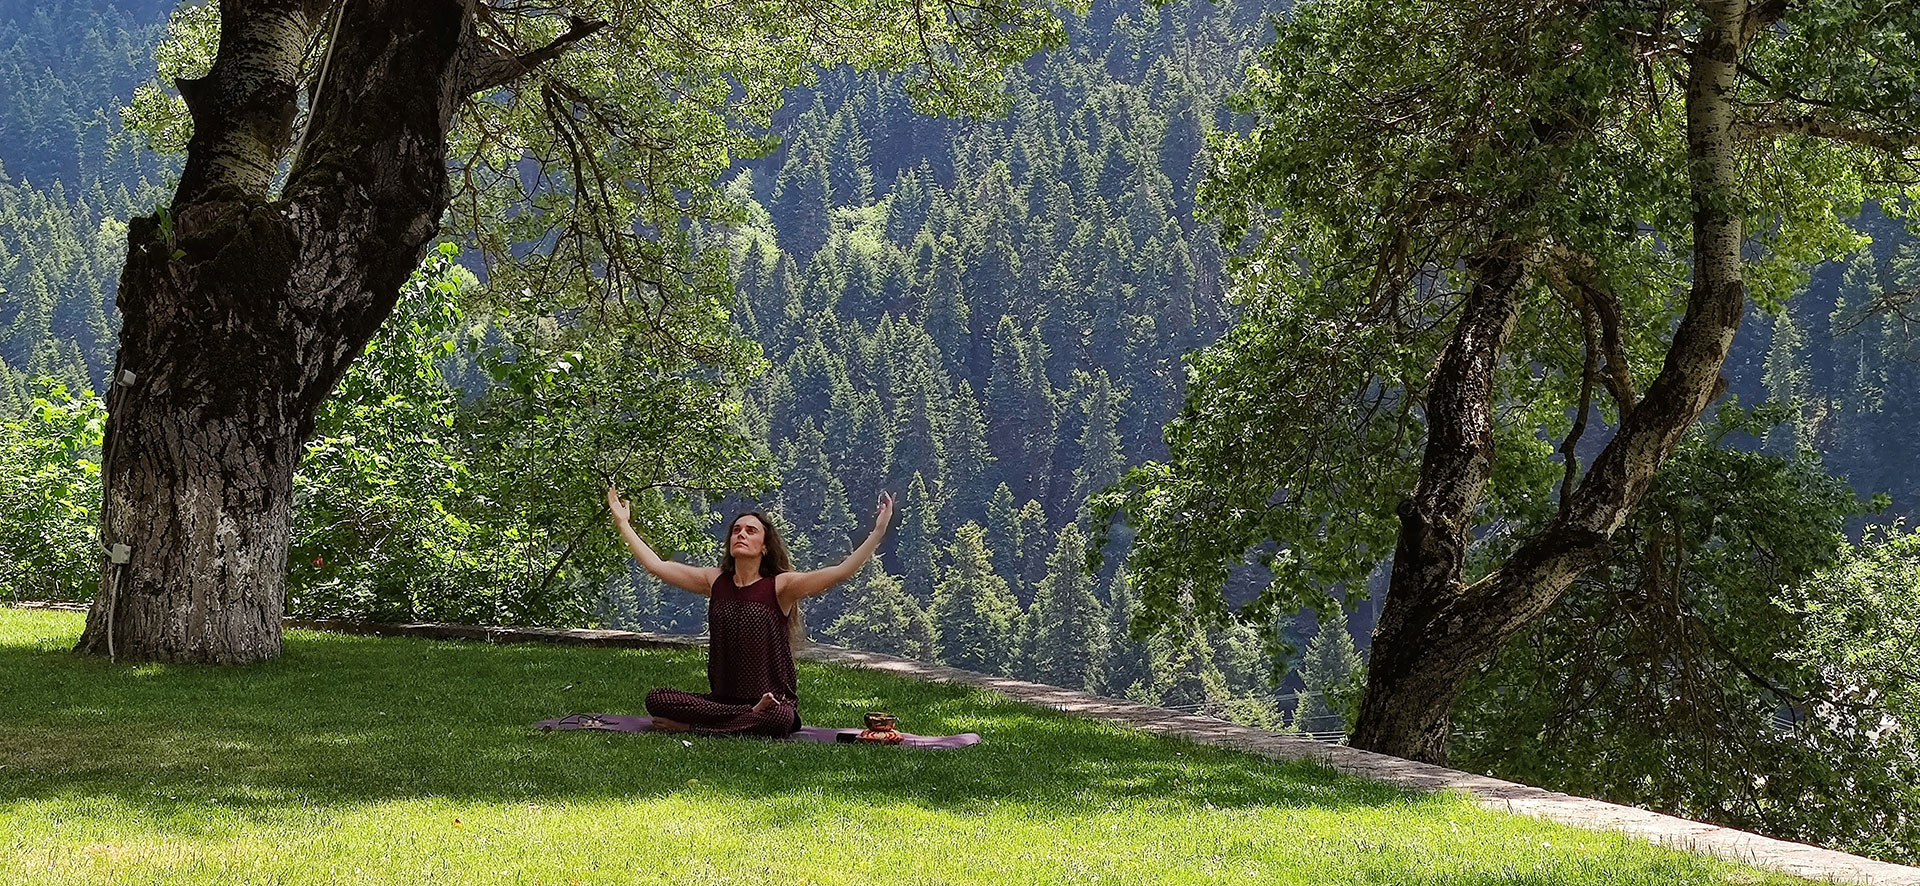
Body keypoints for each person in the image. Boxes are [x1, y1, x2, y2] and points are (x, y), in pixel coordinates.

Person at [605, 487, 895, 735]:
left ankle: (696, 728)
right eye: (736, 530)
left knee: (780, 718)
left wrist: (878, 532)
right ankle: (741, 719)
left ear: (765, 547)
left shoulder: (780, 587)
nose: (741, 534)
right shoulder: (714, 581)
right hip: (722, 701)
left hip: (772, 703)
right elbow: (657, 567)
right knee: (658, 699)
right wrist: (623, 524)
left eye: (751, 531)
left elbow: (840, 572)